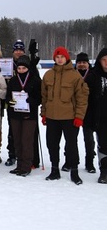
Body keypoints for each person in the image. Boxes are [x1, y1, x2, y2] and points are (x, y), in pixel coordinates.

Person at [41, 46, 89, 185]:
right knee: (52, 145)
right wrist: (44, 114)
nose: (60, 59)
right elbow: (44, 97)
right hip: (52, 117)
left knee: (71, 146)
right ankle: (55, 170)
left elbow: (82, 98)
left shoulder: (75, 76)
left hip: (69, 118)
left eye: (62, 57)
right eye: (57, 57)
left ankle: (74, 172)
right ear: (54, 59)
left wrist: (79, 117)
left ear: (66, 58)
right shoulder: (48, 75)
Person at [5, 55, 41, 177]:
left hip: (29, 116)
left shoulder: (35, 80)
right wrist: (10, 101)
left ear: (28, 68)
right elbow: (8, 96)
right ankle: (19, 164)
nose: (21, 70)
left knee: (26, 140)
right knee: (17, 140)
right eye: (19, 68)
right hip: (15, 115)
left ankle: (26, 166)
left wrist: (32, 100)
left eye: (23, 68)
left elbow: (40, 98)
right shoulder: (13, 80)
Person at [84, 48, 107, 184]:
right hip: (99, 117)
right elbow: (85, 95)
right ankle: (104, 171)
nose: (106, 63)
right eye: (104, 60)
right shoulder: (93, 75)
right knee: (103, 145)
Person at [73, 52, 96, 173]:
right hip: (73, 111)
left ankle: (90, 162)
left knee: (89, 139)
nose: (81, 65)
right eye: (79, 63)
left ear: (88, 64)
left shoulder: (93, 75)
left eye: (84, 63)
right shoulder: (71, 75)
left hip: (89, 112)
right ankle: (71, 161)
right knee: (71, 138)